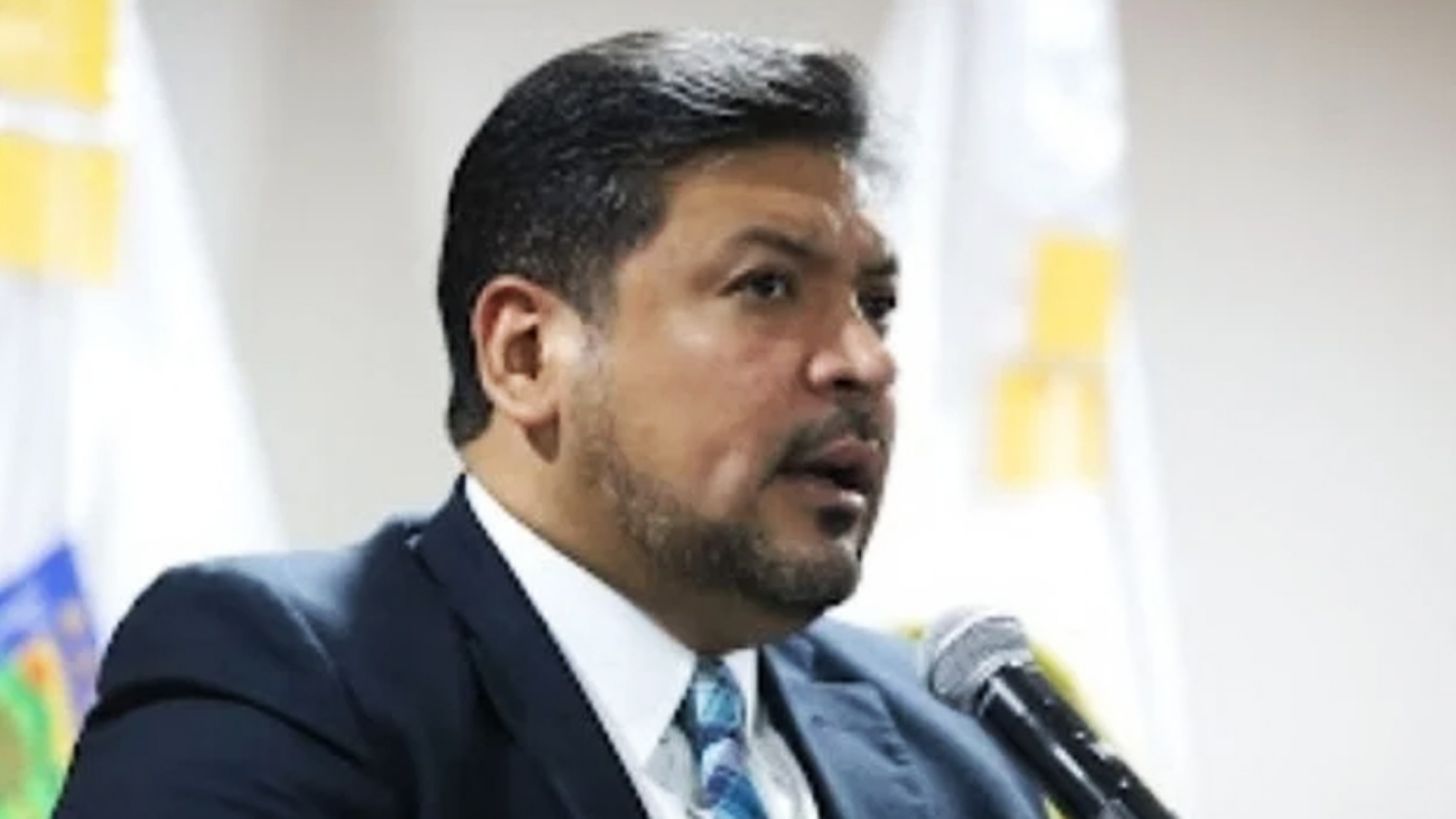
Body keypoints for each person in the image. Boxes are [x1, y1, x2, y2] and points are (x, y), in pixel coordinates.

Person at [56, 30, 1045, 819]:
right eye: (767, 286)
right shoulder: (279, 682)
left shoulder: (952, 740)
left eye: (876, 305)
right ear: (526, 353)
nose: (865, 362)